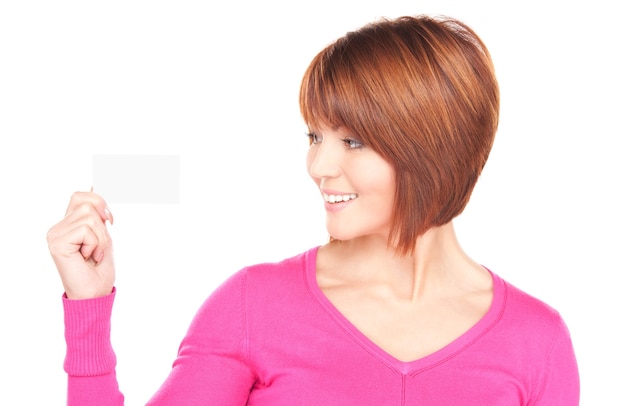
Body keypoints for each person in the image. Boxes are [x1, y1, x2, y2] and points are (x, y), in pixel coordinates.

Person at [47, 14, 580, 405]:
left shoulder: (537, 342)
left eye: (352, 142)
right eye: (315, 136)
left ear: (431, 149)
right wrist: (88, 309)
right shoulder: (252, 306)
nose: (317, 166)